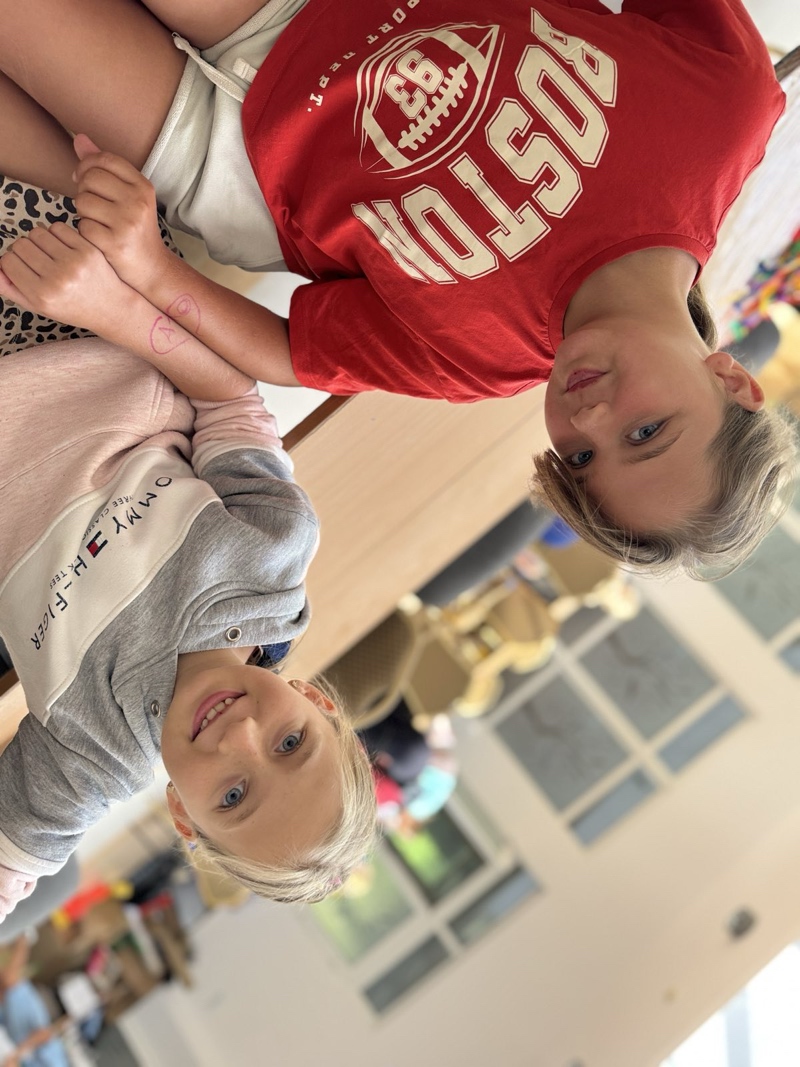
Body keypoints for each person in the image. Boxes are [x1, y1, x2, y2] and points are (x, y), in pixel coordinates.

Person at [0, 0, 796, 580]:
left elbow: (287, 350)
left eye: (582, 457)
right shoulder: (724, 112)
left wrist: (151, 269)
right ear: (731, 379)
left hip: (230, 162)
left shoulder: (481, 362)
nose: (588, 420)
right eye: (646, 430)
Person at [0, 107, 376, 920]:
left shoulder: (93, 762)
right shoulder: (271, 556)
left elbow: (9, 864)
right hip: (69, 319)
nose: (241, 737)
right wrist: (110, 307)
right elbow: (230, 397)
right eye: (290, 744)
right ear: (316, 702)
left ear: (184, 815)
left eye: (234, 795)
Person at [0, 937, 70, 1067]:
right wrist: (17, 1054)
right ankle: (24, 937)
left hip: (10, 1027)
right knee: (10, 979)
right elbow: (44, 1035)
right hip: (25, 1019)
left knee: (4, 983)